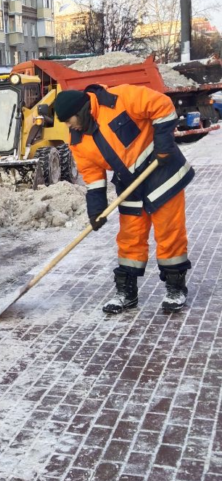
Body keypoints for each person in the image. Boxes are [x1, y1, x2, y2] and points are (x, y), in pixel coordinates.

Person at [53, 84, 193, 315]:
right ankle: (127, 294)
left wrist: (164, 144)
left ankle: (175, 289)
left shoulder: (121, 98)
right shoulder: (77, 139)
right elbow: (92, 176)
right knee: (130, 238)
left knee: (169, 233)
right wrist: (96, 209)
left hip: (162, 174)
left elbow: (163, 106)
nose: (69, 126)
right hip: (130, 187)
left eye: (69, 120)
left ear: (82, 110)